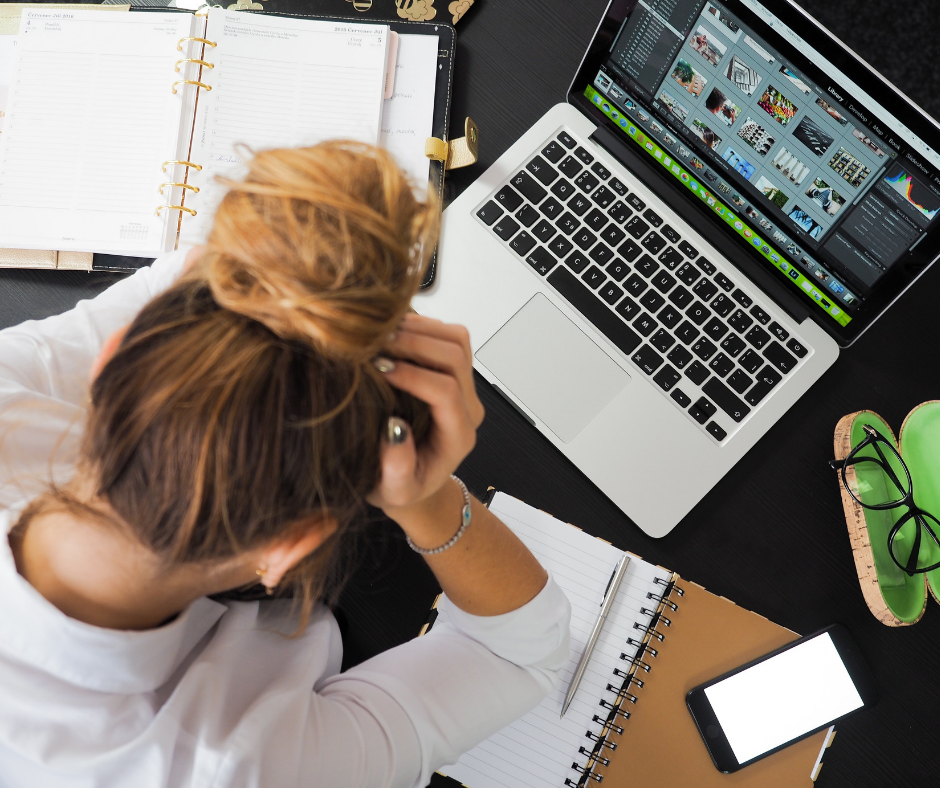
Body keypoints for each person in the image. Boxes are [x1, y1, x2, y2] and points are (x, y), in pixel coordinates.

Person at [0, 142, 571, 787]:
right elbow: (517, 654)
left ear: (104, 367)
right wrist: (429, 497)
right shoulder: (242, 769)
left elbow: (189, 277)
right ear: (289, 548)